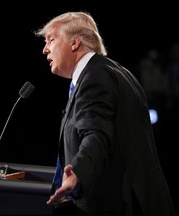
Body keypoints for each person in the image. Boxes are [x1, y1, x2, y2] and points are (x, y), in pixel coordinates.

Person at [34, 11, 177, 216]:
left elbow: (96, 133)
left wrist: (77, 174)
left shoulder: (95, 77)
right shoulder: (115, 72)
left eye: (51, 39)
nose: (45, 49)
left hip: (117, 206)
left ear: (74, 43)